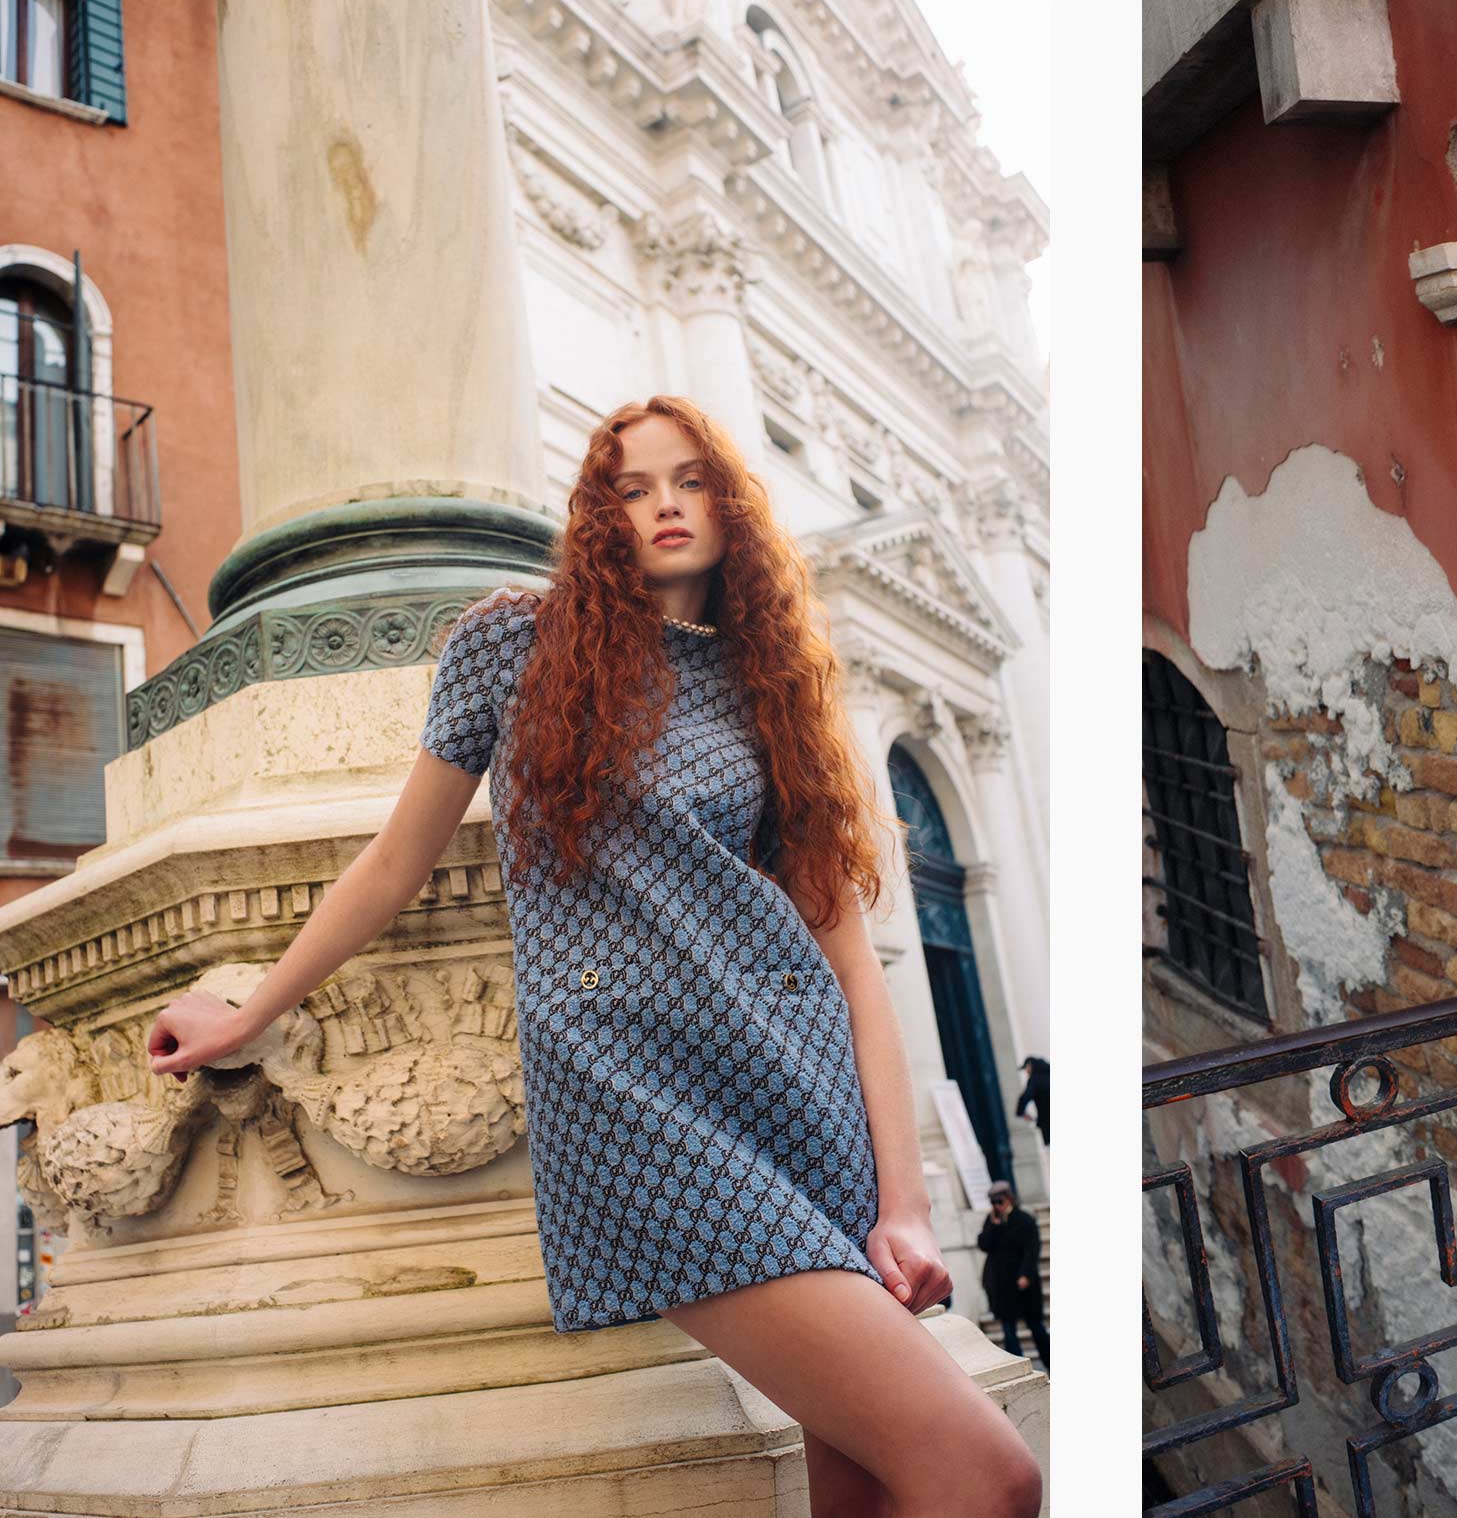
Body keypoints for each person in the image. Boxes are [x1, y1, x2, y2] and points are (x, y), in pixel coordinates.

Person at [143, 396, 1042, 1518]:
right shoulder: (512, 644)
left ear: (728, 503)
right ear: (599, 513)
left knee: (859, 1488)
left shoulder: (774, 690)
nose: (662, 504)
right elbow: (393, 862)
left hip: (800, 1095)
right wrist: (251, 1009)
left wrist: (903, 1202)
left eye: (687, 479)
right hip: (639, 1107)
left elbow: (851, 965)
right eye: (629, 486)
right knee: (992, 1474)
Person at [975, 1180, 1047, 1372]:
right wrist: (995, 1225)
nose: (996, 1206)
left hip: (1024, 1283)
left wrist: (1025, 1274)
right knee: (1008, 1329)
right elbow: (983, 1244)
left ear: (1008, 1198)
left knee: (1036, 1326)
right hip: (1002, 1285)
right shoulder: (992, 1221)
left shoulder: (1024, 1219)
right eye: (993, 1202)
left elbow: (1032, 1250)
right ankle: (1019, 1370)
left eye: (999, 1201)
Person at [1013, 1054, 1049, 1145]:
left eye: (1026, 1068)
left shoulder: (1034, 1080)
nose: (1026, 1072)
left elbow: (1025, 1097)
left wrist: (1020, 1112)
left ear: (1030, 1065)